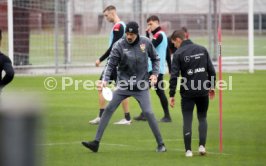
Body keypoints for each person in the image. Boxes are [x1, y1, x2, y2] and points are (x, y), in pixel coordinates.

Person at [82, 21, 166, 153]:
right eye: (127, 33)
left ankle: (161, 144)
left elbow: (156, 58)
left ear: (137, 33)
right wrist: (105, 80)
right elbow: (110, 64)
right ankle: (96, 142)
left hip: (141, 86)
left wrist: (154, 74)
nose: (129, 36)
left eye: (131, 34)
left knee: (149, 113)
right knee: (108, 109)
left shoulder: (146, 42)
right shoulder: (119, 45)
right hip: (123, 85)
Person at [169, 28, 216, 157]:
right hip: (202, 91)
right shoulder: (202, 49)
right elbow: (211, 70)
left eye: (174, 43)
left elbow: (174, 76)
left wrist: (171, 95)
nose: (174, 46)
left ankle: (188, 150)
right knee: (202, 118)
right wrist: (212, 86)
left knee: (187, 120)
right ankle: (202, 146)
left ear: (178, 40)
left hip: (188, 93)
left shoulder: (178, 54)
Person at [89, 5, 131, 125]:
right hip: (119, 63)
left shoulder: (118, 27)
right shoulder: (120, 26)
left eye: (106, 15)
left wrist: (100, 59)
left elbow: (114, 46)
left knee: (102, 86)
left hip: (114, 63)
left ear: (112, 13)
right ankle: (126, 118)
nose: (106, 18)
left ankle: (103, 117)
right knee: (120, 89)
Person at [134, 15, 171, 122]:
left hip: (154, 70)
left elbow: (147, 48)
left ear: (157, 23)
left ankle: (163, 116)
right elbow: (168, 53)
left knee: (142, 90)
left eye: (151, 24)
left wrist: (146, 35)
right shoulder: (162, 35)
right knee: (151, 91)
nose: (149, 26)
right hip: (156, 69)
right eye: (148, 24)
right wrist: (170, 67)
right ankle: (148, 114)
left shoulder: (158, 35)